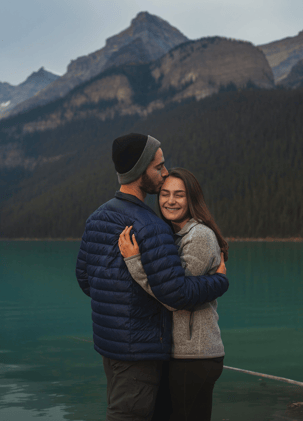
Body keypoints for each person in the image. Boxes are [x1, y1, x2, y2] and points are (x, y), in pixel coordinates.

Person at [75, 133, 229, 421]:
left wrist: (118, 306)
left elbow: (85, 279)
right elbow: (177, 294)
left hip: (109, 346)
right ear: (139, 171)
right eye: (158, 167)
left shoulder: (97, 217)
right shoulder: (152, 226)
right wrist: (220, 281)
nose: (165, 172)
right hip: (140, 349)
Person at [118, 167, 228, 421]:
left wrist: (135, 262)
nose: (170, 200)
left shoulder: (198, 235)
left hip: (195, 354)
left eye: (179, 195)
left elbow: (175, 298)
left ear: (192, 199)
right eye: (165, 193)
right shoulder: (174, 235)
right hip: (181, 353)